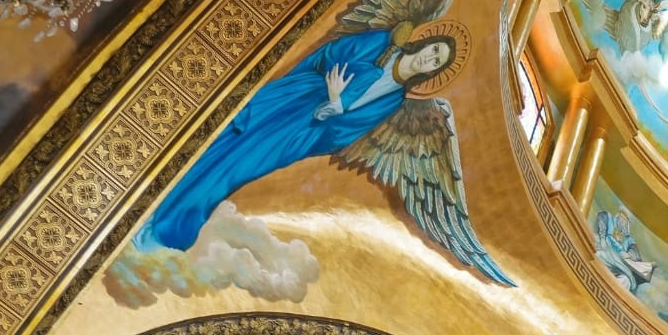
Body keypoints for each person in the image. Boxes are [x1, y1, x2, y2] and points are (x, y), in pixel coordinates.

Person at [137, 28, 456, 251]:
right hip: (294, 101)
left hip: (305, 132)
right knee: (230, 143)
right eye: (434, 51)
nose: (431, 59)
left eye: (437, 62)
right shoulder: (382, 43)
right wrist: (332, 87)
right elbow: (331, 54)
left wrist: (333, 107)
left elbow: (346, 132)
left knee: (240, 170)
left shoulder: (394, 100)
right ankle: (159, 191)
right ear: (425, 44)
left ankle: (172, 221)